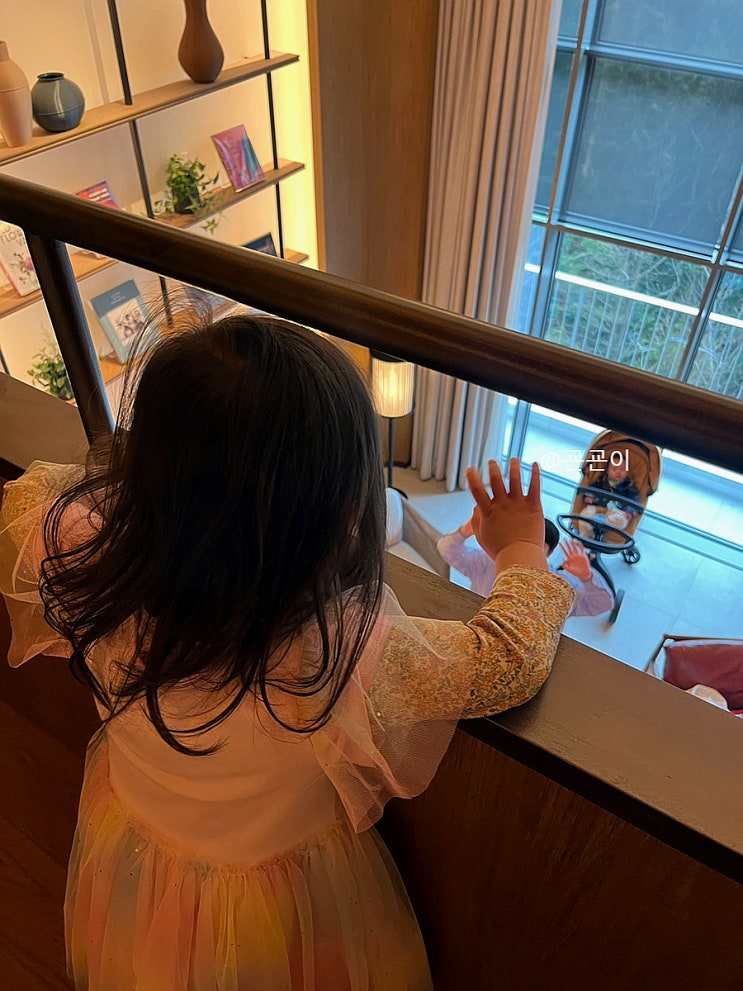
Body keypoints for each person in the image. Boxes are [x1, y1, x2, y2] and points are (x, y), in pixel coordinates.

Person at [0, 314, 574, 991]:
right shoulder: (337, 651)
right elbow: (507, 659)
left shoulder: (79, 553)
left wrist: (172, 499)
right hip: (277, 903)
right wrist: (520, 549)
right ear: (341, 513)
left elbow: (33, 492)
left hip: (136, 846)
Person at [438, 515, 613, 617]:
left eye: (536, 548)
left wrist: (587, 577)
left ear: (549, 553)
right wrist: (466, 530)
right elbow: (448, 552)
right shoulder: (489, 562)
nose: (526, 553)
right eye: (521, 544)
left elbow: (603, 604)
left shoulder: (559, 586)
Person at [578, 455, 641, 534]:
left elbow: (633, 500)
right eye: (614, 469)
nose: (618, 472)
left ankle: (601, 525)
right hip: (598, 508)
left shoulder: (629, 488)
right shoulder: (601, 483)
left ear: (627, 472)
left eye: (622, 469)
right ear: (607, 471)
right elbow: (592, 489)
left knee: (623, 520)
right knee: (585, 514)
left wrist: (629, 510)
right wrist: (590, 497)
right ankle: (584, 535)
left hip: (616, 511)